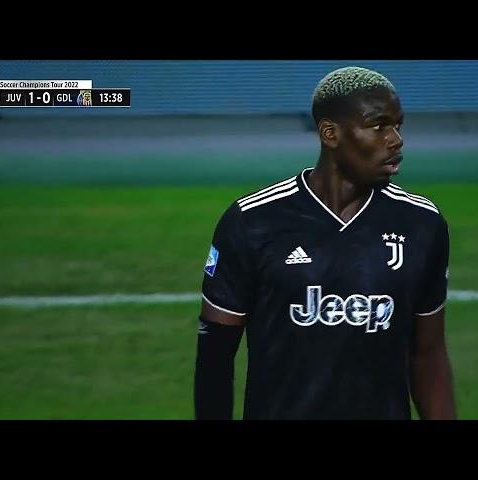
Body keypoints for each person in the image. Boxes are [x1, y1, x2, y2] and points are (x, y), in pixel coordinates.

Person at [194, 66, 456, 420]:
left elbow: (428, 354)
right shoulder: (253, 221)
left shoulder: (422, 224)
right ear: (330, 134)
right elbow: (215, 357)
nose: (395, 140)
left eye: (398, 125)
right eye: (379, 126)